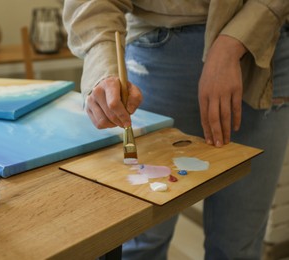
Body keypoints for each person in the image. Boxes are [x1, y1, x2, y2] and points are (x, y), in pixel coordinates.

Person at [63, 1, 289, 259]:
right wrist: (102, 69)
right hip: (160, 47)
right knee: (142, 243)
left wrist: (231, 44)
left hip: (263, 45)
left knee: (239, 246)